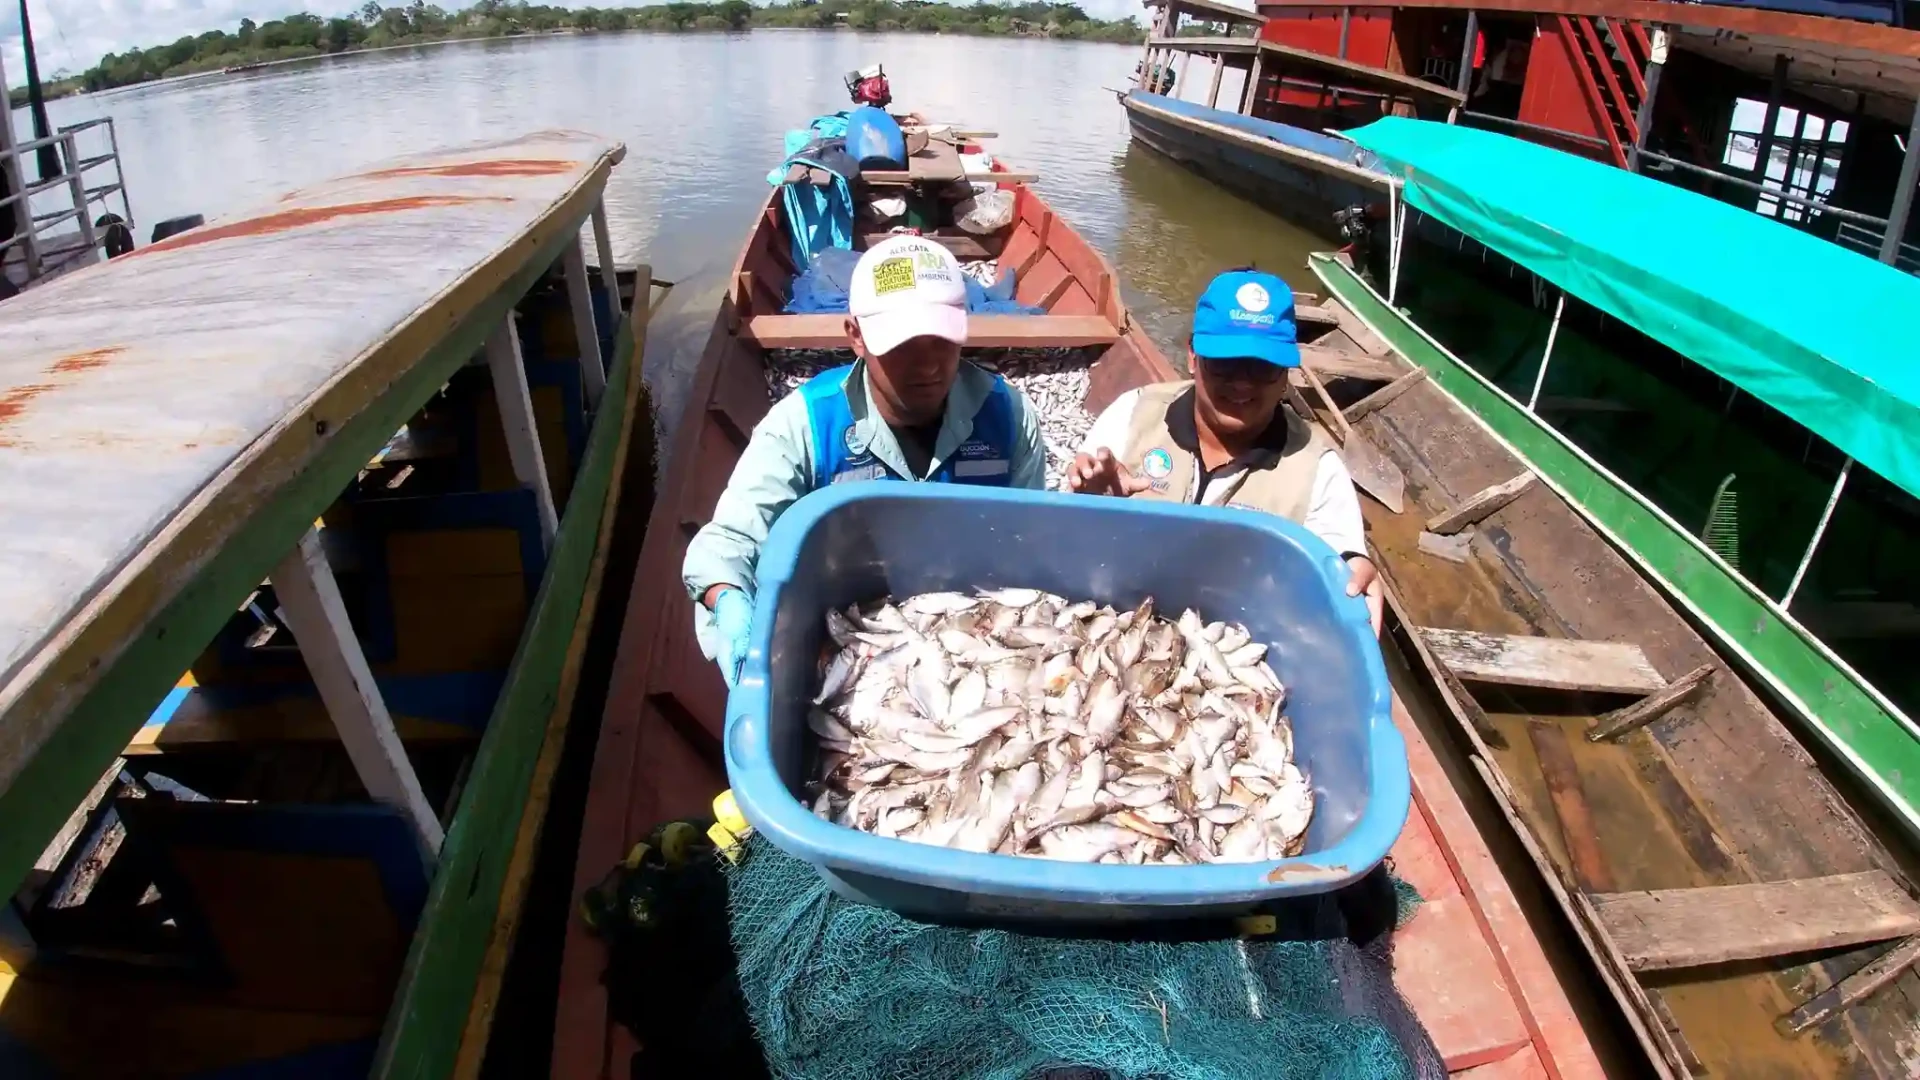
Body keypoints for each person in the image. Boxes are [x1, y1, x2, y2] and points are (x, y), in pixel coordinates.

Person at [684, 235, 1049, 686]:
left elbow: (1033, 539)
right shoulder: (804, 425)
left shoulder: (1009, 417)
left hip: (975, 637)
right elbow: (728, 542)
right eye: (903, 345)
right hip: (850, 642)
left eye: (942, 341)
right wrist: (726, 596)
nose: (929, 366)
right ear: (855, 335)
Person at [1068, 268, 1384, 635]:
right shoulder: (1134, 414)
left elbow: (1341, 563)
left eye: (1262, 367)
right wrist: (1092, 508)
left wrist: (1353, 572)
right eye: (1224, 363)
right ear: (1192, 356)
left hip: (1237, 638)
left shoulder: (1318, 468)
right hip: (1116, 617)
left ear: (1286, 373)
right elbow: (1069, 543)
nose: (1241, 383)